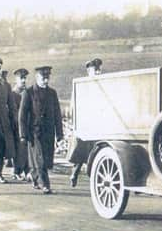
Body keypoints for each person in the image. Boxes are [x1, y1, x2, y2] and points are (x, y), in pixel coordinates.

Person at [19, 65, 63, 194]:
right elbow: (22, 115)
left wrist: (59, 134)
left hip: (49, 132)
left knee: (46, 158)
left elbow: (57, 115)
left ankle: (34, 176)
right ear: (37, 77)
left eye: (47, 78)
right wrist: (23, 134)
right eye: (43, 78)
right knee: (40, 158)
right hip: (34, 132)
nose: (46, 80)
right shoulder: (29, 92)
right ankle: (45, 184)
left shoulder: (52, 93)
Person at [68, 58, 103, 187]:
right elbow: (74, 106)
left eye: (99, 69)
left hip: (96, 123)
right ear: (89, 71)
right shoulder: (82, 85)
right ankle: (74, 174)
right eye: (95, 70)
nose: (98, 72)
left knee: (94, 150)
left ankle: (94, 177)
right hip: (85, 124)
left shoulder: (102, 85)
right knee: (80, 151)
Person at [10, 68, 30, 181]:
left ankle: (27, 170)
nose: (23, 80)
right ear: (16, 79)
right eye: (21, 78)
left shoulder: (28, 92)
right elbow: (13, 111)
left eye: (24, 78)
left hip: (27, 125)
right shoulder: (13, 94)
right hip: (16, 126)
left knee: (26, 149)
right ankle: (16, 171)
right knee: (18, 149)